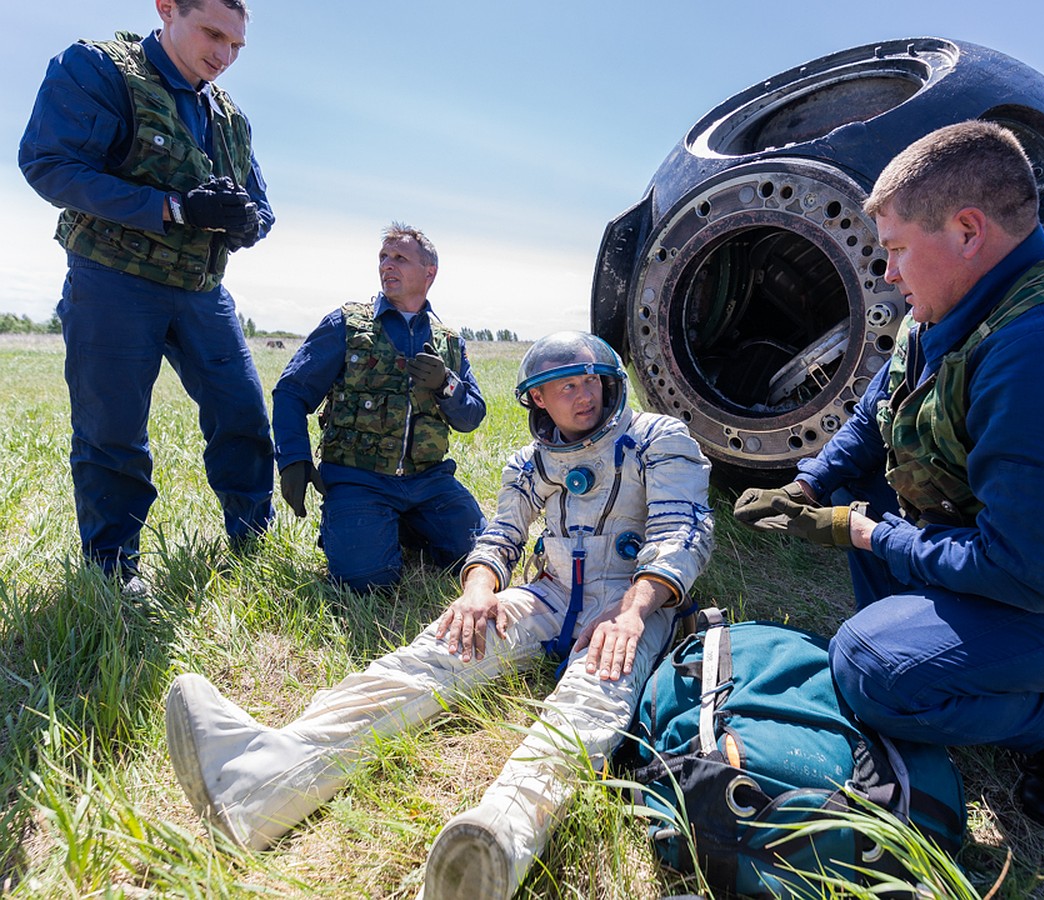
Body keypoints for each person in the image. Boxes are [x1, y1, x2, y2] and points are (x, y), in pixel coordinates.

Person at [734, 121, 1044, 829]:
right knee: (884, 517)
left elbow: (1032, 576)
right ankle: (968, 656)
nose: (887, 274)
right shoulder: (962, 299)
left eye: (894, 250)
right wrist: (810, 483)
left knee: (869, 667)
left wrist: (866, 535)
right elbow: (880, 409)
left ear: (967, 231)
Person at [164, 331, 714, 896]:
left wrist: (631, 613)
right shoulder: (529, 463)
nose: (583, 396)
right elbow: (500, 535)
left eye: (590, 381)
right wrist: (479, 591)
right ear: (538, 401)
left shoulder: (657, 439)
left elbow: (682, 531)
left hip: (632, 601)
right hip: (549, 591)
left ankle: (498, 840)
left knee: (591, 699)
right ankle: (264, 776)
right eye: (564, 386)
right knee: (441, 648)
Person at [18, 0, 275, 589]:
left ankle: (253, 540)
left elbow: (262, 206)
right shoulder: (100, 69)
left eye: (236, 46)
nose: (223, 55)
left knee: (242, 414)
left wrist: (245, 222)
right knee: (113, 432)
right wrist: (173, 206)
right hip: (113, 281)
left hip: (201, 290)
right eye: (213, 34)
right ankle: (113, 570)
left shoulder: (229, 116)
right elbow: (48, 164)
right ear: (166, 8)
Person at [271, 223, 488, 590]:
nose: (388, 265)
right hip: (360, 479)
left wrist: (445, 384)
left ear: (429, 272)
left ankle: (403, 525)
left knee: (479, 557)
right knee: (368, 581)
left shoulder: (449, 341)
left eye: (400, 258)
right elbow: (291, 392)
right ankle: (359, 526)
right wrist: (294, 459)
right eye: (383, 258)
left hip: (429, 482)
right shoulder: (347, 325)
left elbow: (471, 417)